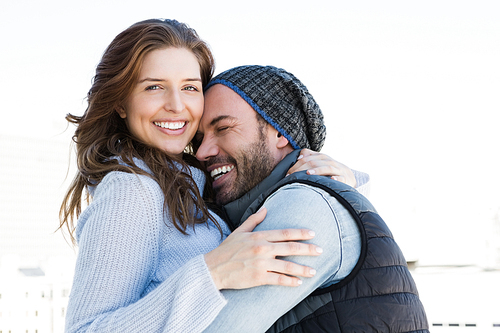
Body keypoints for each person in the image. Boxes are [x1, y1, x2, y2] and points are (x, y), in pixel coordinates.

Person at [59, 19, 366, 332]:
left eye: (190, 87)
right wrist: (211, 273)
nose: (176, 106)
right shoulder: (132, 187)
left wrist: (341, 178)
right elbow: (85, 329)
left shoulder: (190, 182)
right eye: (154, 87)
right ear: (122, 103)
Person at [195, 65, 429, 332]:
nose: (202, 151)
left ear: (280, 132)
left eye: (223, 128)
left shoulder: (303, 205)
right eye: (199, 139)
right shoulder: (292, 202)